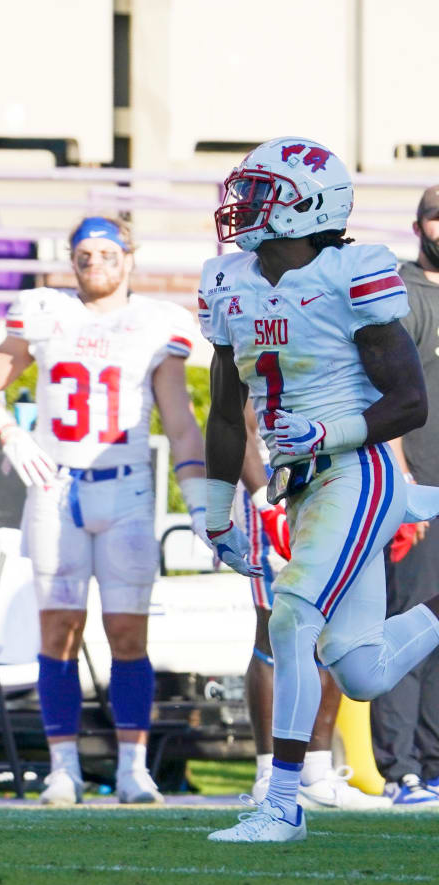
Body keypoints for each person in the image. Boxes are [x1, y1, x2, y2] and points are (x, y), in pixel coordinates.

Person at [201, 136, 439, 842]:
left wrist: (326, 433)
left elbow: (408, 401)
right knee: (361, 668)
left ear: (305, 205)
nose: (241, 207)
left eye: (260, 193)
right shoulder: (227, 279)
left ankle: (282, 805)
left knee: (292, 616)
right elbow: (223, 407)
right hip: (300, 484)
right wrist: (217, 510)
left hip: (355, 472)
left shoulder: (351, 273)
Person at [0, 216, 209, 806]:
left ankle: (132, 767)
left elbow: (179, 420)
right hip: (56, 486)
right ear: (70, 260)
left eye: (106, 251)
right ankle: (63, 768)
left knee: (128, 632)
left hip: (125, 490)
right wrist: (8, 434)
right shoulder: (44, 312)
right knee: (58, 631)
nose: (94, 261)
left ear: (130, 256)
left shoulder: (157, 322)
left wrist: (200, 500)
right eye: (83, 253)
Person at [237, 406, 388, 810]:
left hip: (336, 484)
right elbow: (238, 423)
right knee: (276, 630)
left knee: (333, 629)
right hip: (274, 489)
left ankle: (316, 773)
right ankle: (269, 769)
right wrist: (262, 500)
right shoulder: (260, 343)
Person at [371, 185, 439, 808]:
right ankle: (402, 770)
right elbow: (379, 391)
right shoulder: (398, 292)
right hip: (420, 487)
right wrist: (401, 481)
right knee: (410, 625)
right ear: (418, 224)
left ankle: (436, 762)